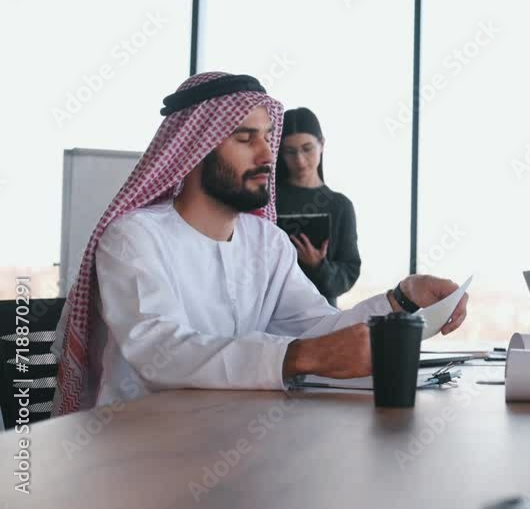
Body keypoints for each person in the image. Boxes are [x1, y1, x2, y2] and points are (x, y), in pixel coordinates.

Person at [50, 72, 469, 415]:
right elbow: (162, 351)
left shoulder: (267, 242)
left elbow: (317, 329)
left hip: (232, 435)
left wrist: (402, 298)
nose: (268, 156)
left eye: (268, 137)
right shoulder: (134, 238)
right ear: (195, 148)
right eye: (245, 138)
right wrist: (299, 357)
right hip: (137, 448)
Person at [276, 108, 360, 307]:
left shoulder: (340, 206)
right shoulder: (267, 200)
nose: (300, 160)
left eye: (307, 149)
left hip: (322, 316)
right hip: (272, 314)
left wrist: (318, 266)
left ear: (321, 144)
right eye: (290, 151)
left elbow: (349, 272)